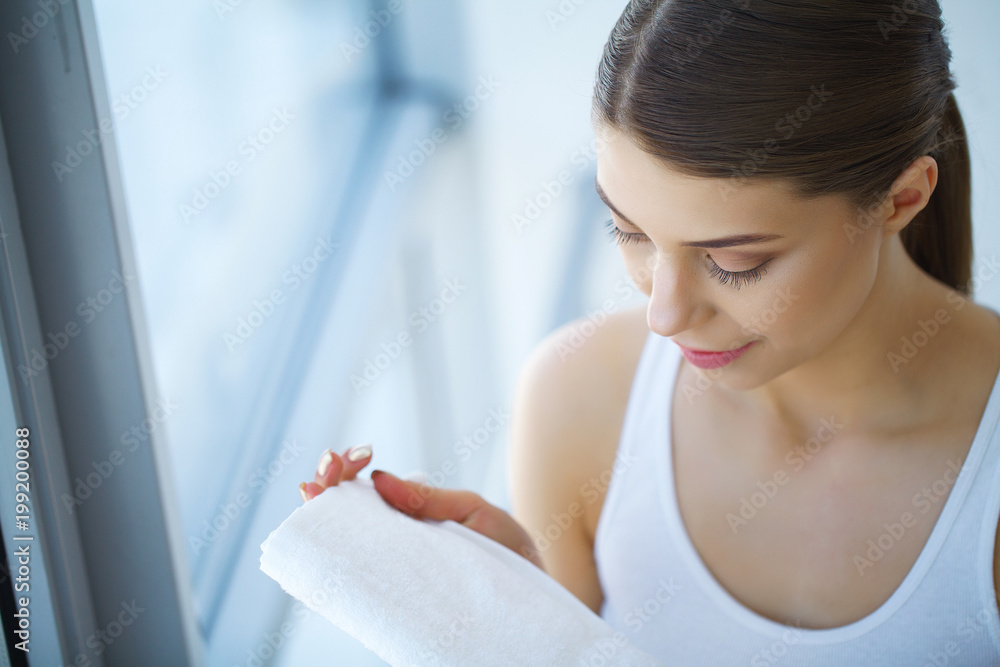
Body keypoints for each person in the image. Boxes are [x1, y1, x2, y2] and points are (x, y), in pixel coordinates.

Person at [300, 0, 1000, 662]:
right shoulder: (578, 396)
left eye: (734, 261)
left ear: (902, 198)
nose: (664, 314)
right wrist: (516, 626)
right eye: (628, 231)